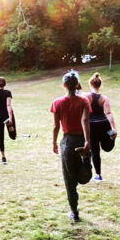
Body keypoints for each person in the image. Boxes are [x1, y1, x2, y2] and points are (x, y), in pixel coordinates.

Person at [51, 70, 93, 223]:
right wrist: (87, 141)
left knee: (69, 179)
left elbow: (56, 126)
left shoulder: (57, 102)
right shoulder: (84, 101)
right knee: (84, 176)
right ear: (77, 85)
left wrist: (54, 142)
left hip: (67, 141)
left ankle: (74, 212)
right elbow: (85, 121)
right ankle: (86, 160)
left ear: (64, 85)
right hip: (82, 139)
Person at [85, 72, 117, 181]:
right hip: (103, 124)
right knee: (106, 147)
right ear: (100, 85)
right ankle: (111, 139)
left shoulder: (86, 96)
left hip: (91, 125)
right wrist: (114, 128)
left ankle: (98, 175)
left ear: (90, 84)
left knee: (95, 151)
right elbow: (108, 113)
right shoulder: (104, 98)